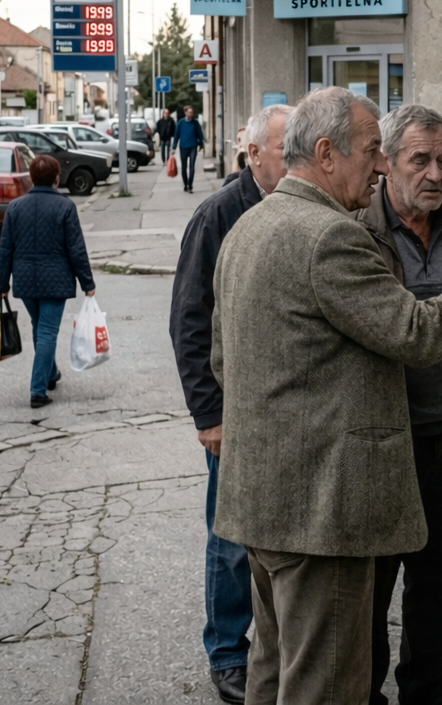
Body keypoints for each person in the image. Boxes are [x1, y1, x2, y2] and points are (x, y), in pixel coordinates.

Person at [210, 87, 442, 705]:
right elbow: (415, 331)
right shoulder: (332, 236)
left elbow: (226, 360)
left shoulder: (249, 224)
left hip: (263, 502)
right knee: (325, 686)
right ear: (326, 153)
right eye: (375, 151)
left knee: (273, 675)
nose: (378, 166)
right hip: (321, 512)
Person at [355, 105, 442, 705]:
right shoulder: (356, 228)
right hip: (382, 438)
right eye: (421, 160)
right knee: (374, 577)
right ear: (385, 162)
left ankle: (426, 684)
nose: (436, 173)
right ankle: (366, 689)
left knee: (441, 574)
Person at [169, 103, 290, 705]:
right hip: (235, 414)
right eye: (283, 147)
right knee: (231, 538)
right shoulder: (219, 214)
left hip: (284, 412)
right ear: (252, 155)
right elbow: (189, 320)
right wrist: (208, 415)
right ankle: (226, 652)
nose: (293, 157)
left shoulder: (295, 208)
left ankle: (272, 647)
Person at [0, 154, 95, 408]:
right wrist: (87, 283)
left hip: (26, 280)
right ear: (56, 178)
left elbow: (5, 249)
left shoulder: (15, 207)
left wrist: (2, 285)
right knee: (47, 332)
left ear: (31, 177)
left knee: (40, 328)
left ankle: (50, 374)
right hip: (56, 279)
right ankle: (38, 390)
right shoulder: (65, 206)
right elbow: (76, 249)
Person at [173, 105, 205, 193]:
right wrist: (174, 147)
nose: (191, 114)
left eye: (192, 112)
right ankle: (185, 184)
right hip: (183, 147)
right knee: (184, 167)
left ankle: (190, 185)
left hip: (193, 147)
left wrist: (201, 144)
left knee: (192, 166)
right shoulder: (181, 122)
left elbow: (200, 134)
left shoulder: (195, 123)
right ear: (185, 112)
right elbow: (176, 135)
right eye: (190, 112)